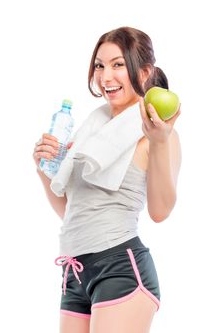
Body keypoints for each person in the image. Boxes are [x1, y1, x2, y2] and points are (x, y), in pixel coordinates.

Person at [33, 26, 181, 333]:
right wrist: (43, 169)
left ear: (144, 72)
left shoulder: (157, 132)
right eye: (100, 65)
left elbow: (160, 211)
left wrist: (160, 142)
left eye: (118, 64)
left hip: (120, 268)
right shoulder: (91, 132)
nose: (105, 76)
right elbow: (73, 212)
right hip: (75, 273)